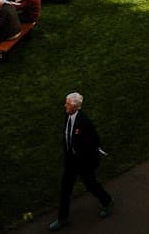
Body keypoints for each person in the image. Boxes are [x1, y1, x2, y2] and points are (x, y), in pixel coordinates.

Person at [51, 92, 113, 230]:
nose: (65, 105)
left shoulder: (84, 122)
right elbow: (67, 135)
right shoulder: (68, 115)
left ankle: (107, 201)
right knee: (65, 189)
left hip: (83, 162)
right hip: (71, 161)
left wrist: (89, 160)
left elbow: (94, 141)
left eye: (67, 103)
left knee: (91, 185)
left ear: (74, 106)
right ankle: (63, 218)